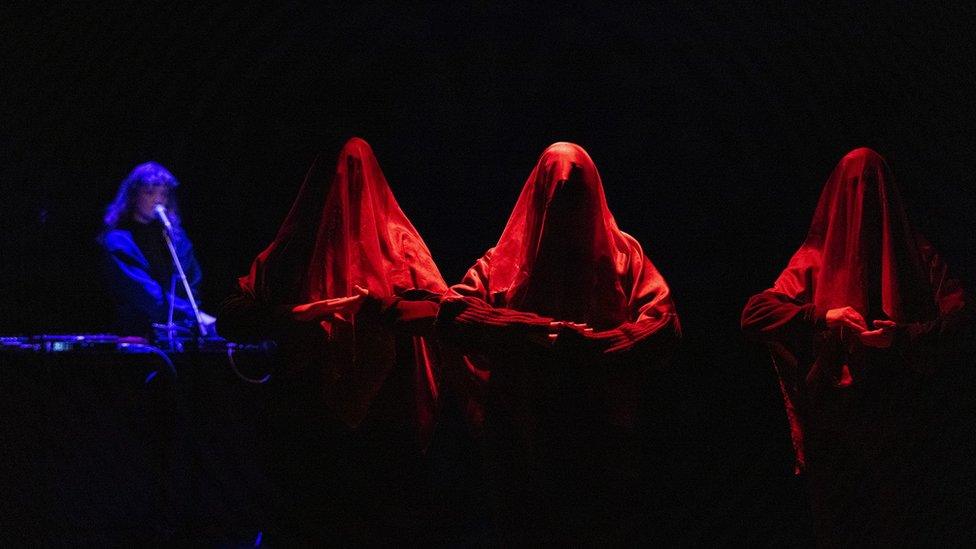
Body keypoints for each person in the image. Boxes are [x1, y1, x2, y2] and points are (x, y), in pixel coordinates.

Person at [437, 142, 681, 544]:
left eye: (575, 197)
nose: (564, 211)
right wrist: (534, 329)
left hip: (601, 442)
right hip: (521, 437)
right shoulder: (505, 261)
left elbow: (664, 325)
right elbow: (452, 314)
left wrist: (594, 347)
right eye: (557, 198)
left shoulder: (624, 255)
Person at [218, 137, 450, 543]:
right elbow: (233, 317)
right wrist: (298, 316)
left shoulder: (393, 247)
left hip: (370, 426)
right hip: (318, 425)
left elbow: (440, 316)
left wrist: (383, 311)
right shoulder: (301, 250)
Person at [741, 148, 973, 545]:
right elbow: (755, 312)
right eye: (853, 191)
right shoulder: (816, 258)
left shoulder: (917, 255)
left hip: (903, 426)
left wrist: (900, 337)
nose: (862, 203)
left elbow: (963, 323)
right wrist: (822, 317)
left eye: (871, 190)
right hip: (836, 431)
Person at [100, 161, 215, 336]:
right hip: (138, 336)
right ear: (133, 196)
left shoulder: (175, 237)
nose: (158, 200)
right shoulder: (118, 241)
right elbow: (144, 294)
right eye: (149, 193)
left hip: (182, 332)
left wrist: (191, 320)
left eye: (164, 194)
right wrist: (193, 315)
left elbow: (192, 281)